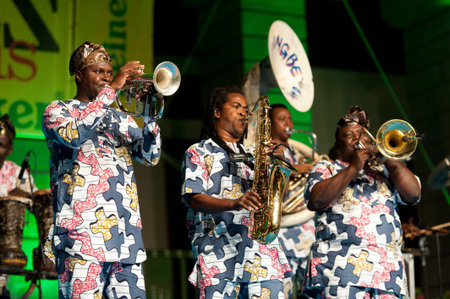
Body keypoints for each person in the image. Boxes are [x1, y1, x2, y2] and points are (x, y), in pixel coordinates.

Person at [42, 41, 161, 298]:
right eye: (99, 72)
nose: (107, 77)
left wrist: (150, 114)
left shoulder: (120, 118)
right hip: (81, 238)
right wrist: (113, 90)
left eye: (110, 72)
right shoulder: (58, 110)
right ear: (79, 74)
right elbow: (73, 135)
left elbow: (150, 157)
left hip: (126, 238)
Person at [181, 87, 292, 298]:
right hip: (219, 255)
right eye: (236, 106)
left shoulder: (255, 154)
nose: (243, 112)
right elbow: (194, 198)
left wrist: (279, 161)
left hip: (261, 255)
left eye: (246, 108)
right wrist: (235, 203)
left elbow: (281, 193)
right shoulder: (198, 151)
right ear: (217, 112)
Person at [303, 106, 421, 298]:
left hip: (388, 275)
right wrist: (354, 167)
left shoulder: (385, 172)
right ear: (338, 145)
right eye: (349, 135)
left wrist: (387, 158)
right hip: (340, 273)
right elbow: (315, 199)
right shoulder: (327, 167)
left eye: (362, 135)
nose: (357, 139)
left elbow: (413, 194)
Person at [269, 104, 316, 298]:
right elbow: (275, 187)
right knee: (284, 290)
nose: (288, 123)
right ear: (269, 124)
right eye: (282, 119)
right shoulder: (268, 151)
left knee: (310, 290)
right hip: (283, 232)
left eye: (289, 119)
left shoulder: (297, 151)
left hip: (306, 230)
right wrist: (297, 169)